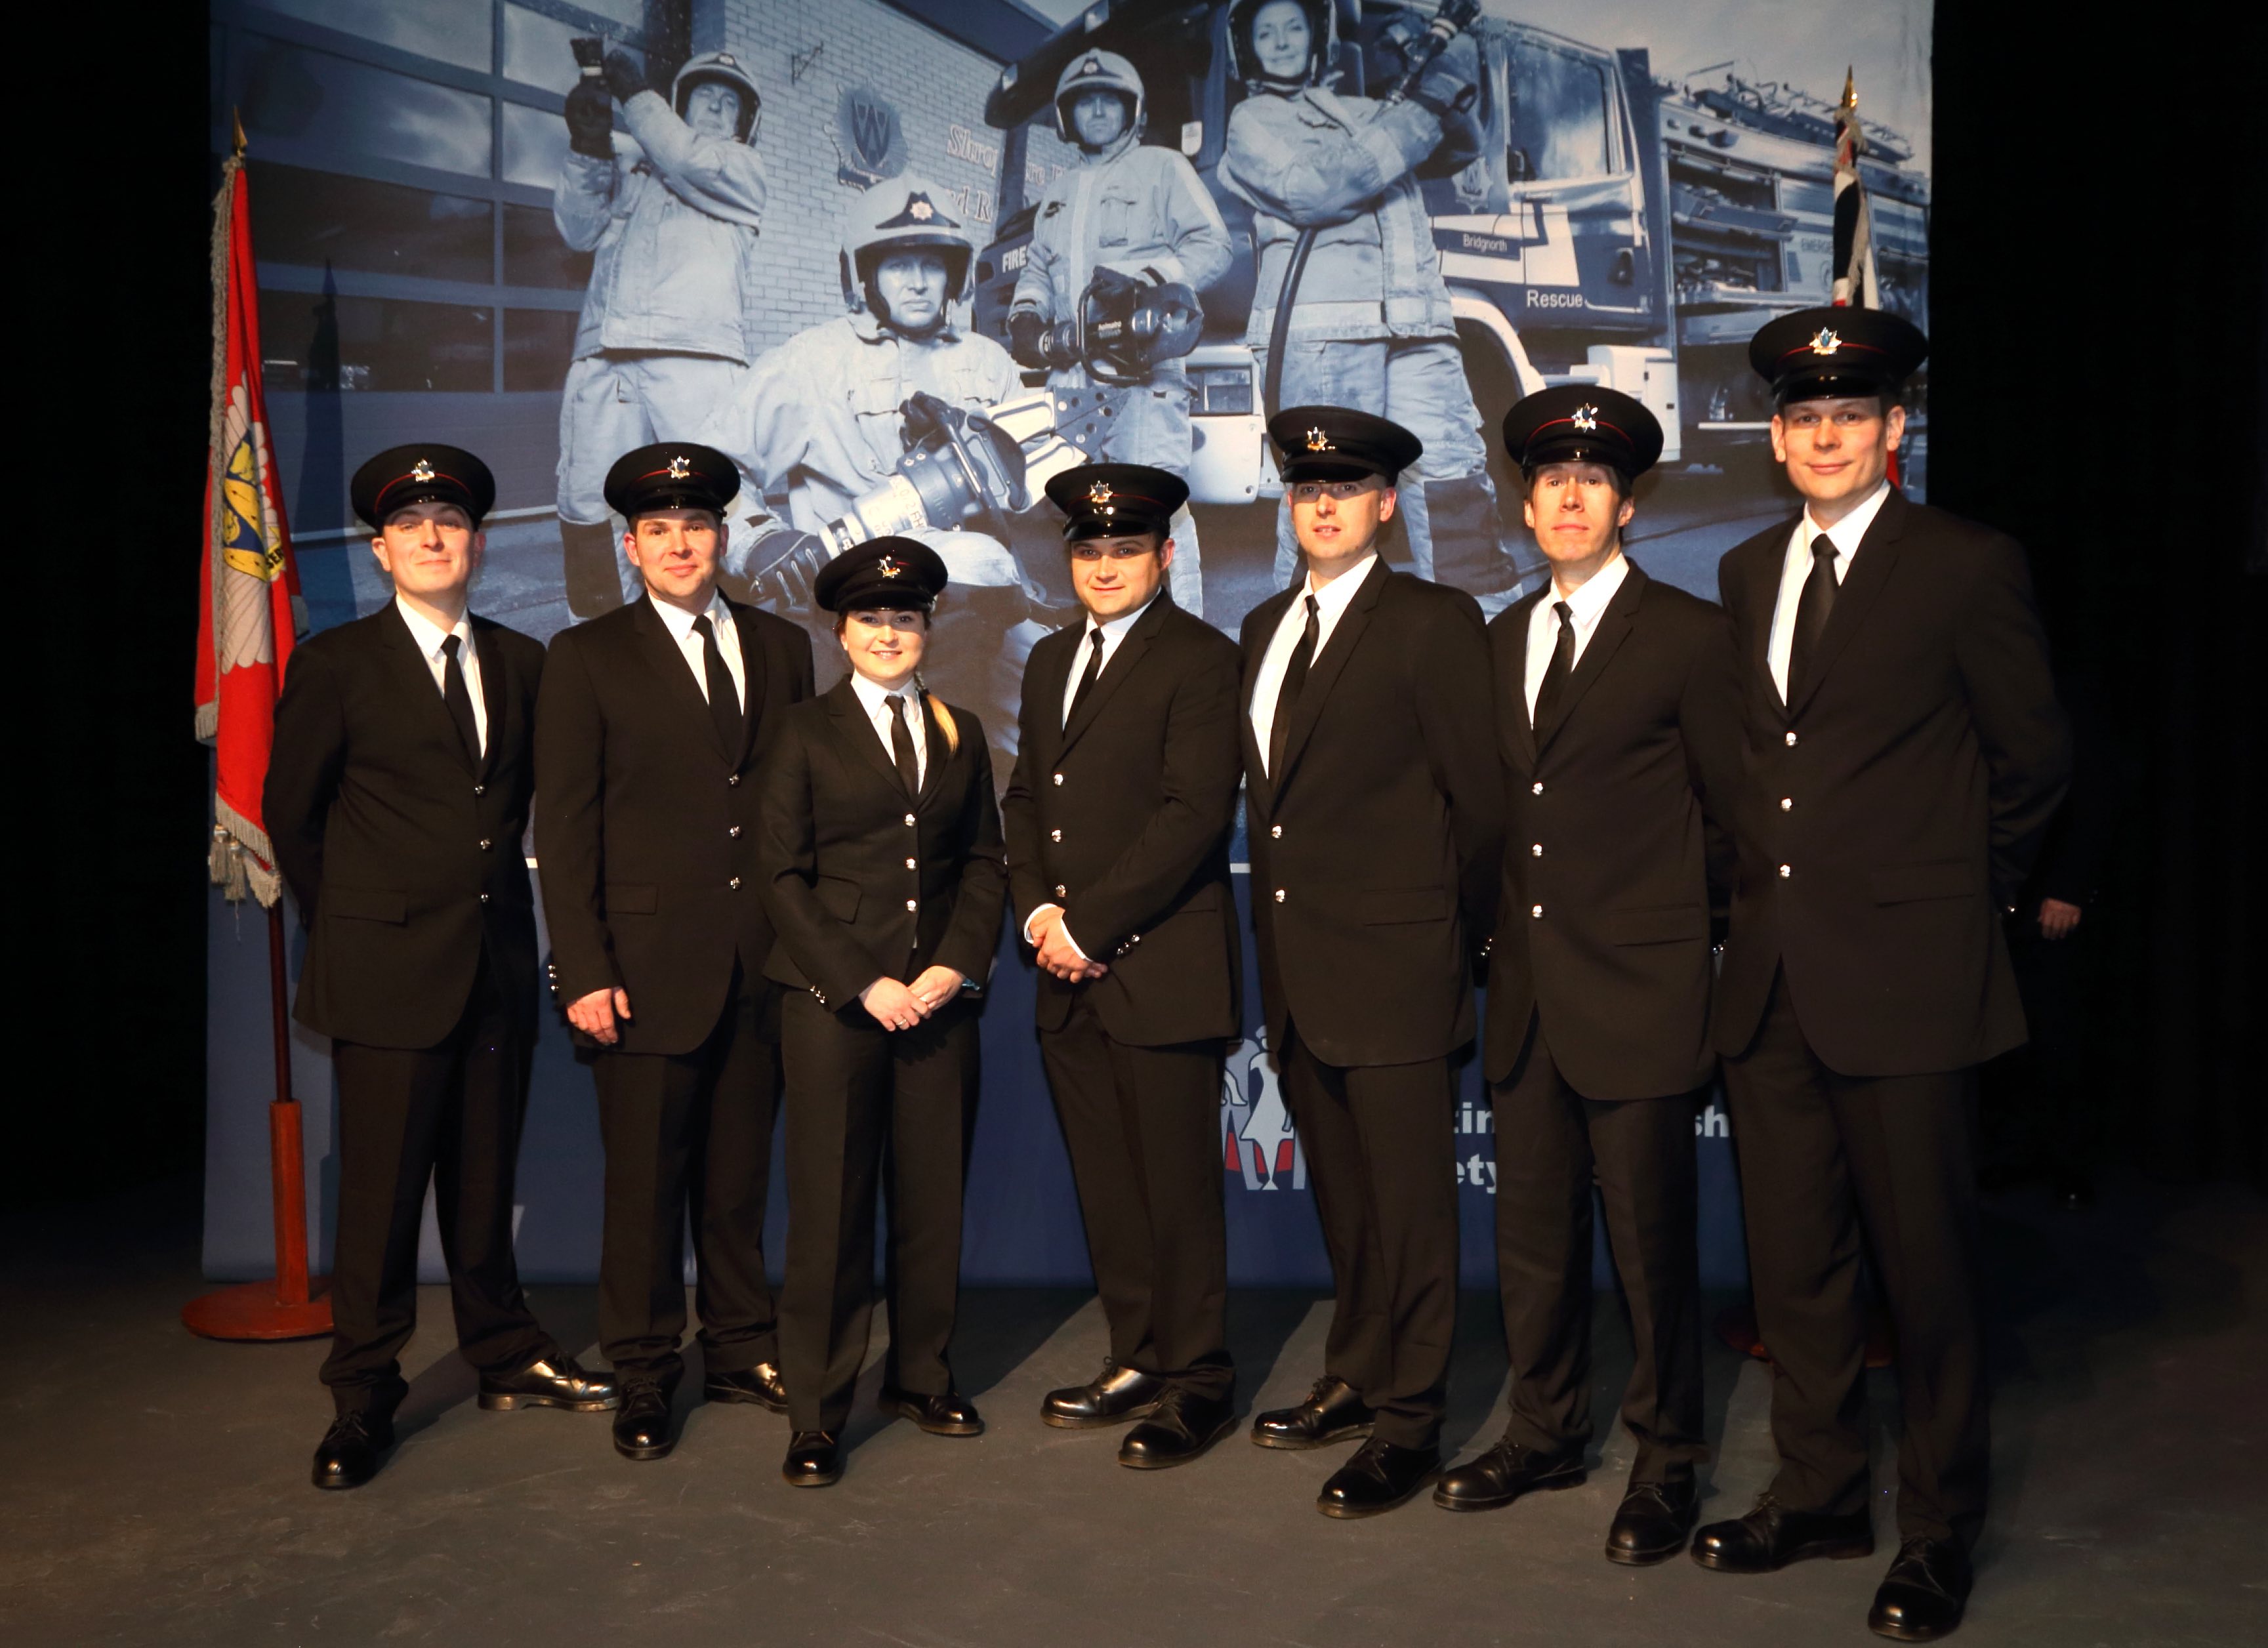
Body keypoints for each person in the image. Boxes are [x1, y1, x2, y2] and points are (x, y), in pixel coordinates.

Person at [1694, 310, 2070, 1641]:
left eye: (1850, 416)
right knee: (1797, 1267)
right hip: (1774, 980)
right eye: (1803, 418)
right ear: (1780, 436)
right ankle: (1818, 1491)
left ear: (1893, 431)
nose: (1825, 436)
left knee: (1925, 1275)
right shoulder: (1746, 570)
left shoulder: (1965, 566)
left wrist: (1955, 901)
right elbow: (1759, 766)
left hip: (1908, 976)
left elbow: (2030, 763)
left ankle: (1935, 1531)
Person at [266, 445, 617, 1491]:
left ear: (475, 544)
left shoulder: (522, 661)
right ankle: (363, 1392)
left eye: (450, 524)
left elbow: (535, 814)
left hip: (495, 967)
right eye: (411, 526)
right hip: (384, 976)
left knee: (482, 1184)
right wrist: (361, 935)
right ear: (381, 553)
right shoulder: (334, 666)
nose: (432, 538)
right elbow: (296, 820)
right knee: (377, 1201)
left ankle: (503, 1355)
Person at [1430, 390, 1740, 1567]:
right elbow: (1497, 821)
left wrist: (1674, 942)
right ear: (1524, 502)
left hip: (1640, 992)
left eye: (1591, 480)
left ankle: (1667, 1463)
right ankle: (1544, 1428)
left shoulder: (1687, 636)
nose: (1566, 496)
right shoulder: (1501, 637)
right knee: (1533, 1241)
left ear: (1625, 502)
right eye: (1548, 479)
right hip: (1528, 1001)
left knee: (1651, 1245)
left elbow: (1727, 822)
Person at [1239, 405, 1501, 1517]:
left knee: (1410, 1210)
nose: (1324, 507)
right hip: (1298, 976)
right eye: (1306, 491)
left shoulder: (1434, 622)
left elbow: (1480, 806)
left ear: (1386, 504)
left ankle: (1409, 1421)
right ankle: (1356, 1371)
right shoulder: (1260, 627)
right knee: (1346, 1200)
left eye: (1344, 490)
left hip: (1399, 970)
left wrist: (1457, 942)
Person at [534, 442, 815, 1462]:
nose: (682, 543)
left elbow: (792, 815)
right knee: (646, 1186)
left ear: (723, 536)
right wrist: (585, 968)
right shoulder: (587, 656)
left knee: (739, 1179)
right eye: (660, 529)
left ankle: (740, 1348)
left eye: (697, 526)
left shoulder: (785, 647)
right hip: (642, 972)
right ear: (630, 545)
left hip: (760, 966)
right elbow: (562, 832)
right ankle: (646, 1369)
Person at [1002, 463, 1245, 1466]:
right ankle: (1137, 1354)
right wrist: (1037, 917)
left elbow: (1192, 816)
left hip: (1156, 967)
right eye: (1090, 550)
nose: (1105, 566)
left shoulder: (1200, 658)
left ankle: (1198, 1379)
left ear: (1165, 556)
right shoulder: (1052, 659)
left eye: (1126, 549)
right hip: (1067, 970)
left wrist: (1087, 926)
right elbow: (1024, 803)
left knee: (1175, 1191)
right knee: (1108, 1182)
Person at [754, 539, 1006, 1487]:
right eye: (871, 620)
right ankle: (818, 1413)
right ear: (840, 630)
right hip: (836, 1005)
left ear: (928, 629)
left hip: (938, 1000)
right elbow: (779, 875)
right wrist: (864, 982)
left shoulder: (961, 729)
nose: (889, 634)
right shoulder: (801, 732)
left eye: (905, 619)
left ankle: (921, 1377)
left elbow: (984, 862)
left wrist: (955, 967)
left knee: (932, 1198)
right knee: (830, 1209)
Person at [699, 175, 1032, 777]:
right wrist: (759, 539)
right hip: (854, 610)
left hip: (978, 607)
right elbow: (710, 469)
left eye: (933, 263)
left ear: (955, 275)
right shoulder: (814, 360)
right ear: (862, 274)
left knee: (1065, 728)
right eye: (897, 263)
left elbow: (1034, 492)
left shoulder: (988, 362)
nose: (916, 281)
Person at [1218, 0, 1514, 596]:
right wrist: (1418, 110)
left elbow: (1459, 145)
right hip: (1324, 341)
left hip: (1418, 326)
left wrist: (1448, 70)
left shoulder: (1369, 112)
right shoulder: (1252, 121)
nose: (1280, 41)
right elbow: (1316, 189)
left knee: (1454, 486)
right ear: (1247, 47)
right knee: (1331, 500)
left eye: (1293, 27)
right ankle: (1311, 653)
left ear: (1317, 37)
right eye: (1265, 32)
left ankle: (1479, 633)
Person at [1008, 52, 1232, 615]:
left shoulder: (1162, 168)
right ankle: (1113, 643)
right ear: (1067, 118)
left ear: (1132, 110)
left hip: (1142, 382)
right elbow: (1037, 269)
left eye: (1111, 99)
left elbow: (1212, 246)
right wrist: (1029, 320)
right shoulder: (1057, 194)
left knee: (1153, 510)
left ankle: (1183, 649)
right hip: (1073, 386)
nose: (1099, 110)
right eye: (1086, 102)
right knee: (1091, 520)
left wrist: (1149, 285)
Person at [554, 49, 768, 617]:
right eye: (705, 97)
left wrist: (635, 97)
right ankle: (602, 645)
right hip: (604, 358)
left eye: (729, 103)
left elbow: (686, 159)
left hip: (694, 360)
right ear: (682, 103)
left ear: (745, 122)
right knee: (590, 510)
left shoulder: (741, 169)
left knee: (708, 501)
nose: (717, 109)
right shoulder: (634, 165)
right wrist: (588, 150)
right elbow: (577, 232)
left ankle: (722, 639)